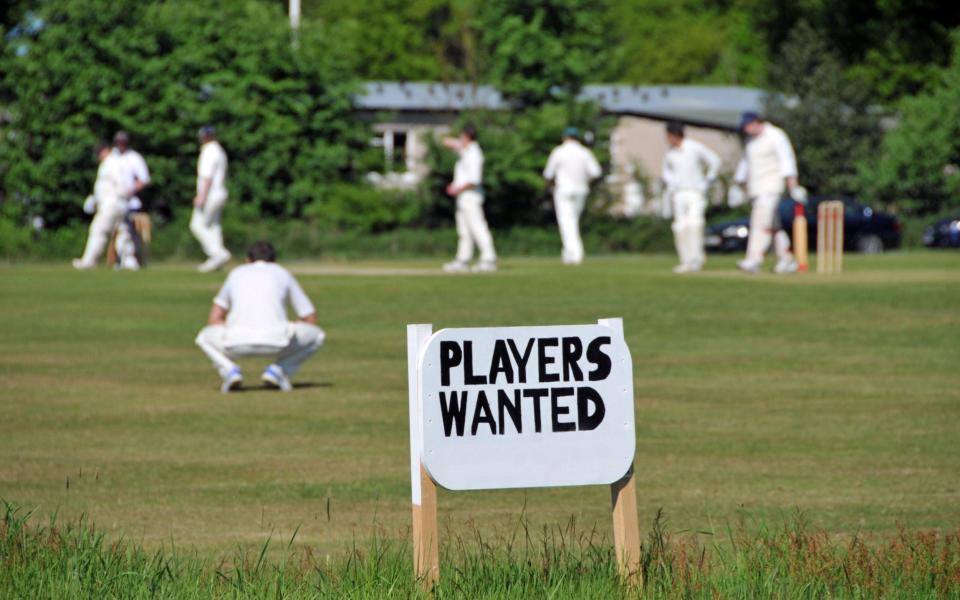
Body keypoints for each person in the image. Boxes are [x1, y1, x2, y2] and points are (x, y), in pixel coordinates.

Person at [195, 241, 324, 393]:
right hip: (278, 342)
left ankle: (229, 371)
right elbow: (310, 317)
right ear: (274, 260)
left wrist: (227, 328)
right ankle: (279, 371)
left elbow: (214, 317)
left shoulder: (237, 272)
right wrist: (293, 327)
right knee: (318, 335)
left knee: (203, 337)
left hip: (235, 342)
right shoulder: (281, 272)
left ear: (247, 260)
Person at [734, 112, 806, 274]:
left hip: (772, 187)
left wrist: (793, 186)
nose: (745, 130)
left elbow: (787, 160)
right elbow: (745, 164)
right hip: (756, 189)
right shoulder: (751, 142)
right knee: (773, 226)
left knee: (760, 221)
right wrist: (738, 186)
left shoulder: (776, 135)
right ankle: (787, 260)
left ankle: (754, 259)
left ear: (756, 122)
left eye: (747, 126)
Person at [661, 120, 721, 273]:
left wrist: (707, 180)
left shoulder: (693, 147)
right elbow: (666, 172)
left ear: (674, 135)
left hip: (695, 192)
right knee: (680, 226)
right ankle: (685, 260)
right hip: (678, 193)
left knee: (694, 223)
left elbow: (714, 161)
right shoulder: (670, 153)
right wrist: (671, 183)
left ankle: (696, 259)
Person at [441, 124, 497, 273]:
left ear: (466, 136)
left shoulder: (474, 154)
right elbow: (454, 145)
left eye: (461, 136)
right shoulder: (466, 151)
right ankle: (463, 260)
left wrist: (456, 188)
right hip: (463, 197)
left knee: (478, 227)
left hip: (471, 196)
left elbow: (474, 180)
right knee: (464, 230)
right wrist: (451, 143)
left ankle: (488, 259)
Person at [543, 127, 602, 265]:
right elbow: (596, 172)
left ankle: (575, 253)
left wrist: (551, 185)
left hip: (563, 190)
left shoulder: (559, 151)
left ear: (565, 137)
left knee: (566, 222)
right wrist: (586, 181)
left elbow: (548, 174)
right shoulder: (584, 152)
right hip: (581, 190)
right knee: (572, 221)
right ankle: (568, 253)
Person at [73, 141, 131, 270]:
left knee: (98, 230)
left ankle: (89, 261)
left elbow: (119, 182)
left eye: (99, 152)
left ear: (106, 150)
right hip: (116, 203)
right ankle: (128, 261)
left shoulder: (111, 162)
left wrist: (117, 198)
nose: (99, 155)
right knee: (122, 232)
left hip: (111, 204)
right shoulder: (112, 162)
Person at [191, 125, 231, 273]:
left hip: (210, 194)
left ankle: (218, 254)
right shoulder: (219, 150)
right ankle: (216, 261)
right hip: (219, 192)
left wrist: (201, 195)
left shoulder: (208, 151)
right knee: (213, 226)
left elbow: (206, 176)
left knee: (197, 225)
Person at [112, 130, 150, 269]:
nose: (121, 145)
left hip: (129, 202)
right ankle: (120, 259)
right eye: (119, 142)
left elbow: (144, 179)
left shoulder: (134, 158)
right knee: (114, 230)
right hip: (112, 201)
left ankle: (129, 258)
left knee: (127, 231)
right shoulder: (111, 157)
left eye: (123, 142)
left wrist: (130, 190)